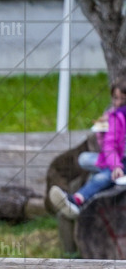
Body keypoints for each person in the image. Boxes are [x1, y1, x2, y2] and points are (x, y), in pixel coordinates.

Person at [49, 80, 126, 220]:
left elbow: (111, 147)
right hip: (116, 159)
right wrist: (102, 131)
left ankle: (78, 200)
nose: (118, 103)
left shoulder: (119, 117)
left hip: (120, 162)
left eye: (123, 99)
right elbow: (108, 145)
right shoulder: (113, 116)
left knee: (103, 176)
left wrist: (115, 166)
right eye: (116, 98)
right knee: (84, 158)